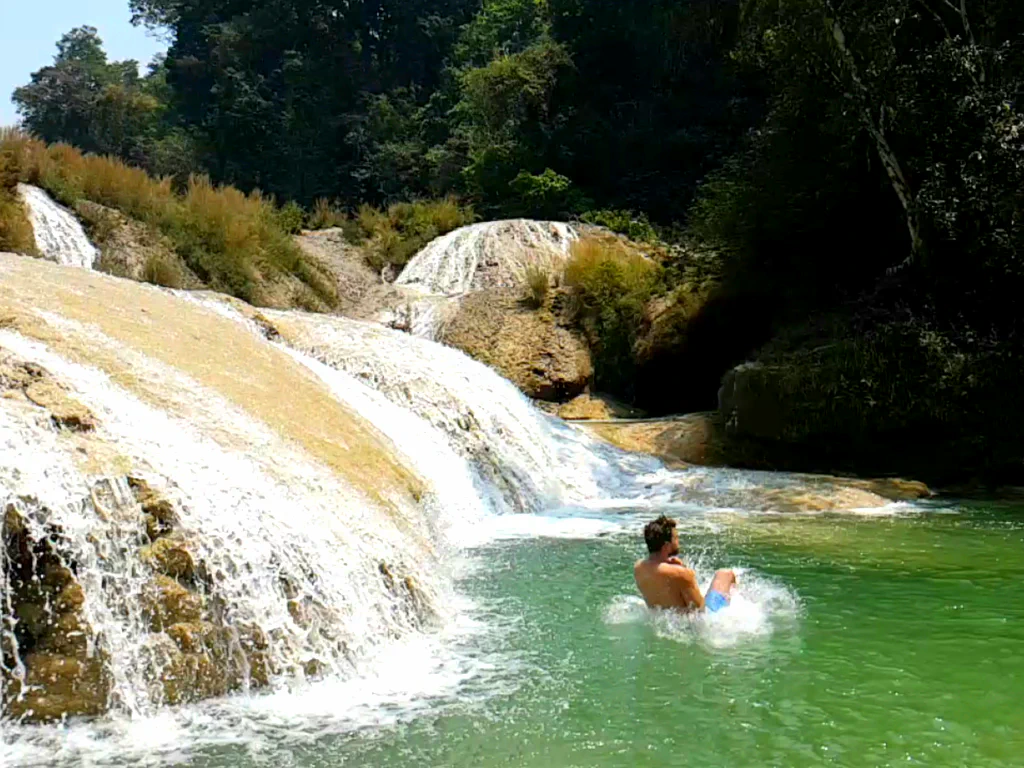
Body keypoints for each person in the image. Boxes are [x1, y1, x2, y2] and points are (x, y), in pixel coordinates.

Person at [633, 516, 736, 614]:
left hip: (667, 620)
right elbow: (700, 611)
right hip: (697, 624)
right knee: (726, 574)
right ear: (667, 546)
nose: (678, 542)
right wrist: (685, 570)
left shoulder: (638, 567)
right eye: (676, 538)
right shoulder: (680, 573)